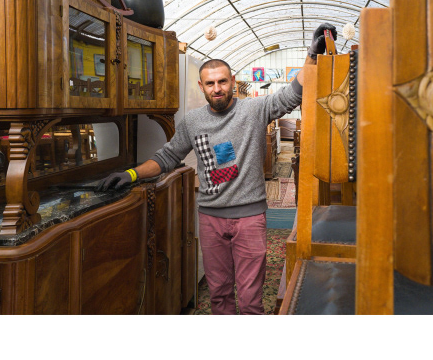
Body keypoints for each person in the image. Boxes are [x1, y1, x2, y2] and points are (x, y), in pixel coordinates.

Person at [95, 23, 336, 314]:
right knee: (219, 296)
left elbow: (292, 94)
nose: (217, 89)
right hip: (210, 220)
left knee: (250, 300)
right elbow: (167, 156)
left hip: (250, 218)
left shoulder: (253, 110)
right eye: (210, 84)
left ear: (233, 81)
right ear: (201, 87)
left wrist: (312, 55)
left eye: (222, 82)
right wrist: (131, 174)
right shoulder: (193, 122)